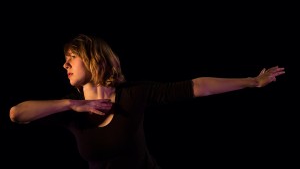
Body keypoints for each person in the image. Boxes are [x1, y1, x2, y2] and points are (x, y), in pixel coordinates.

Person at [9, 34, 285, 169]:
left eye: (72, 58)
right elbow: (17, 114)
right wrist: (71, 105)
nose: (64, 64)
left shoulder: (133, 94)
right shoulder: (72, 110)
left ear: (94, 59)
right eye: (65, 60)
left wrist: (252, 81)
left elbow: (198, 87)